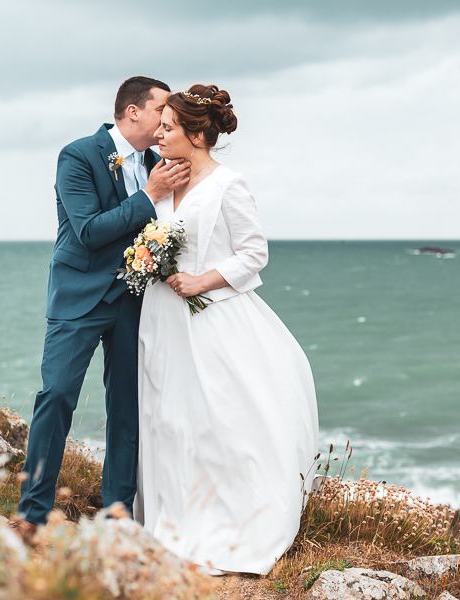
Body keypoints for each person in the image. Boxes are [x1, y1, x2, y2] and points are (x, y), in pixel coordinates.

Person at [134, 84, 319, 575]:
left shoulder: (228, 184)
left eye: (168, 127)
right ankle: (171, 523)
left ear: (196, 133)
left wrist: (201, 281)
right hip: (161, 317)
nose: (158, 133)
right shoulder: (162, 180)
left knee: (219, 419)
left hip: (210, 316)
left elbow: (254, 253)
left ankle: (231, 525)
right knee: (167, 418)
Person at [10, 76, 192, 543]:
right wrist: (149, 195)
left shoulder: (159, 163)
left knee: (127, 406)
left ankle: (117, 516)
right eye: (159, 112)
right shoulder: (78, 155)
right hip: (80, 296)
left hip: (136, 300)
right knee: (56, 397)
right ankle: (33, 513)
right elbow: (89, 230)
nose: (164, 122)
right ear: (133, 112)